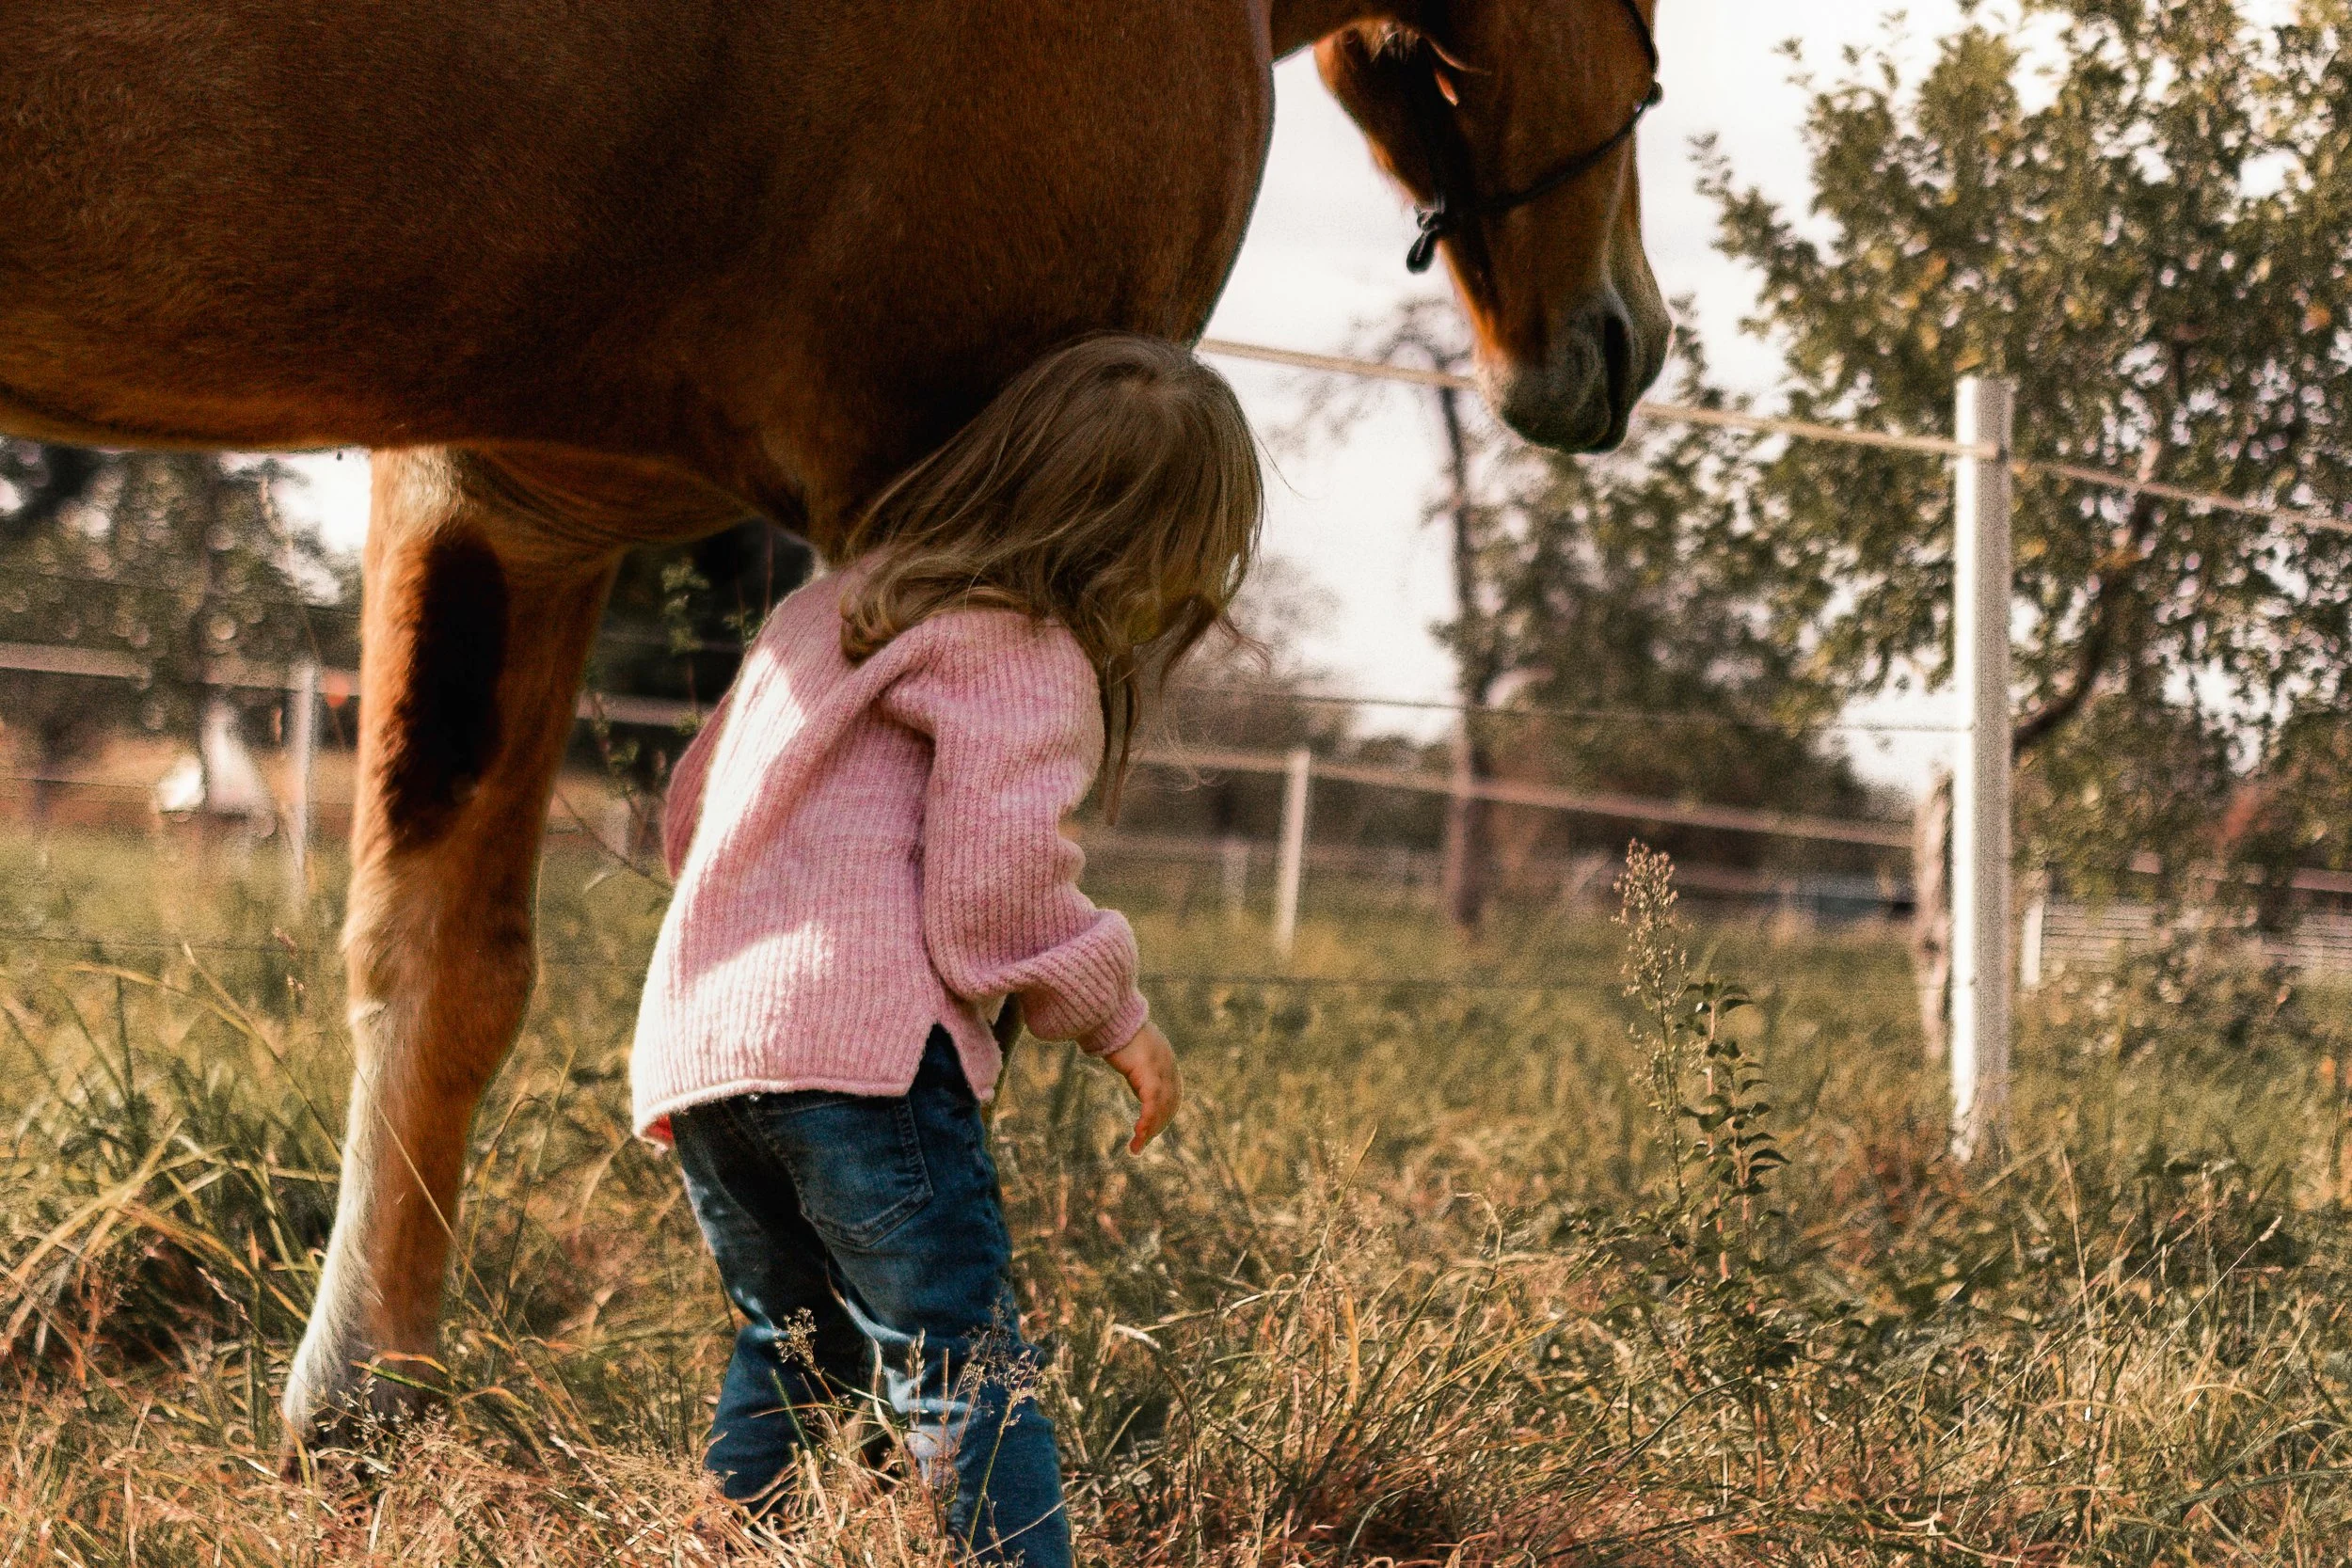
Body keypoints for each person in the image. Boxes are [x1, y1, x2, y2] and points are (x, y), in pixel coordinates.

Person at [629, 334, 1263, 1564]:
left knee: (791, 1333)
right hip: (863, 1056)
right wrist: (1116, 1015)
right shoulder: (1022, 647)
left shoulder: (825, 611)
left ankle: (718, 1546)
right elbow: (996, 889)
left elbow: (685, 815)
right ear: (1148, 552)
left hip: (703, 1052)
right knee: (964, 1365)